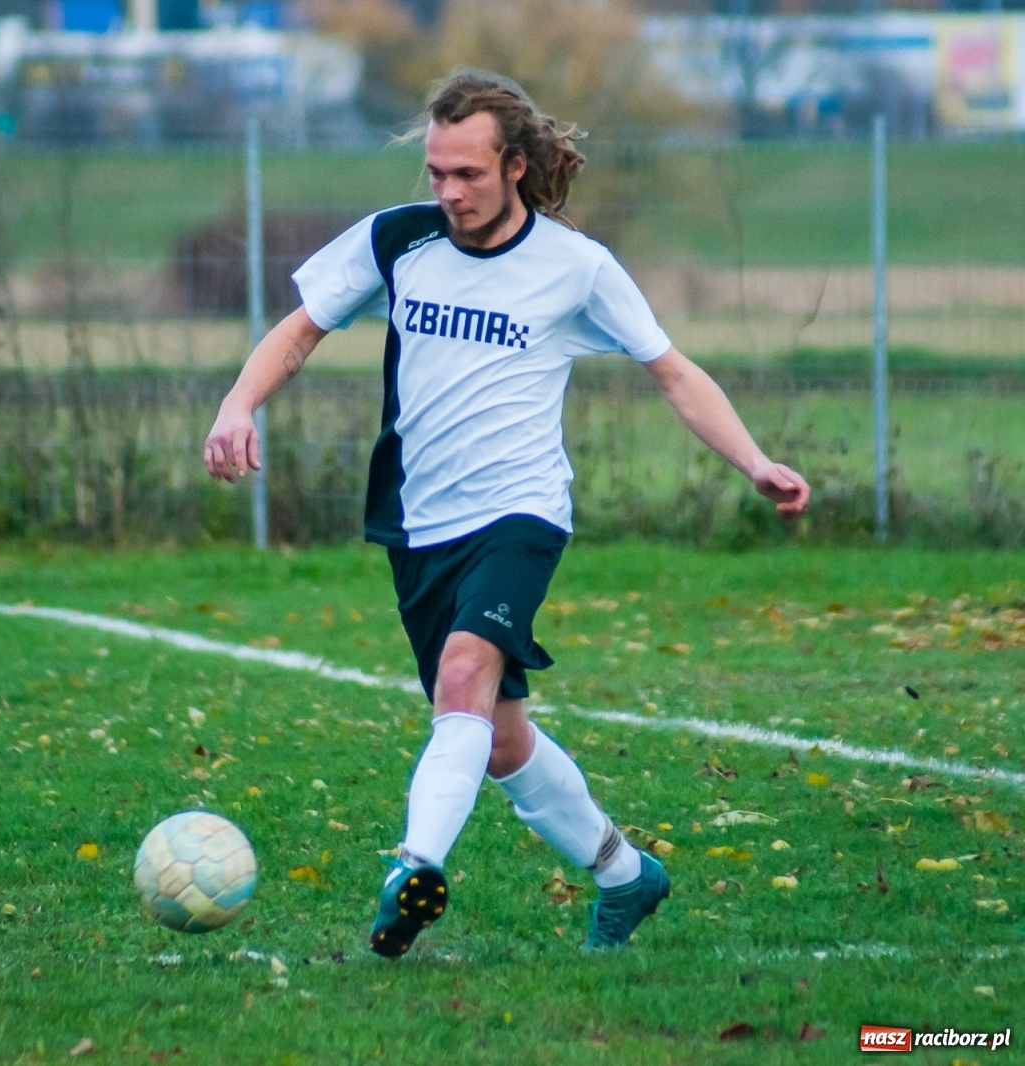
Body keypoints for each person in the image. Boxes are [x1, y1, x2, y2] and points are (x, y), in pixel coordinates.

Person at [203, 71, 811, 957]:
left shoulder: (576, 267)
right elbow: (300, 330)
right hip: (417, 524)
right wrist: (236, 405)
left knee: (461, 681)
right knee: (495, 737)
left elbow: (672, 371)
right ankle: (623, 873)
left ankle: (412, 868)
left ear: (516, 166)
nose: (447, 192)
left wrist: (754, 460)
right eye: (437, 172)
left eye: (468, 174)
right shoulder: (395, 241)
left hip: (521, 514)